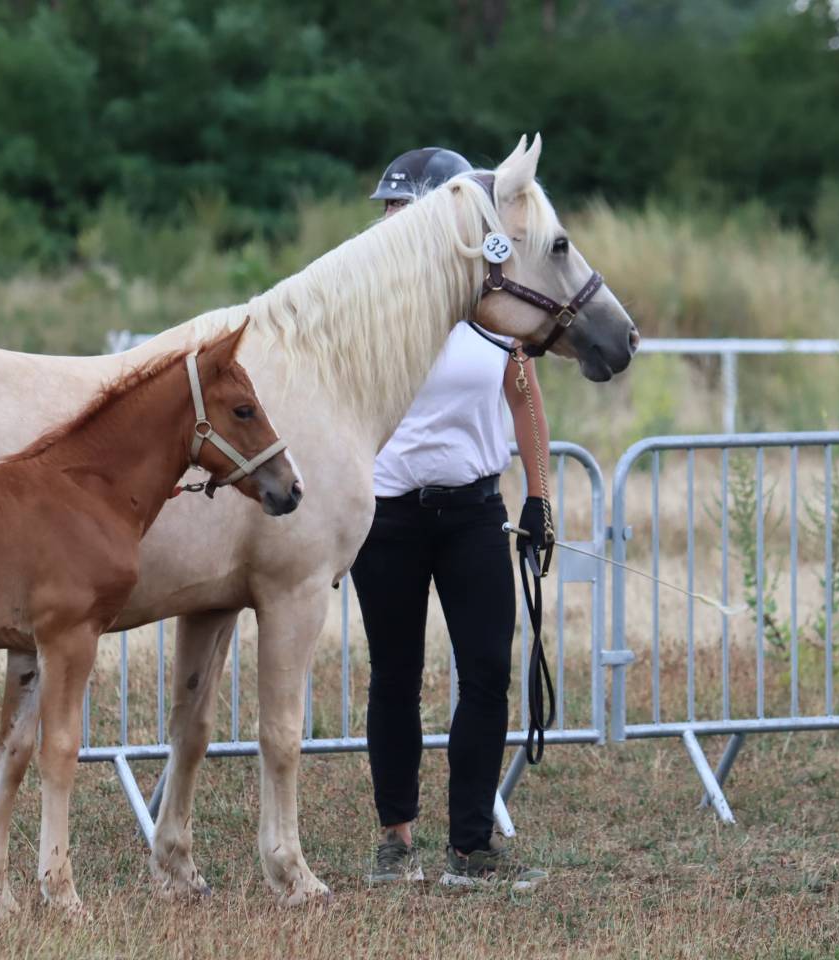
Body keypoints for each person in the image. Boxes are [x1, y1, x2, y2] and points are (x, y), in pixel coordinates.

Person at [354, 147, 551, 889]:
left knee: (487, 673)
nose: (389, 222)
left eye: (402, 209)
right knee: (394, 676)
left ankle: (470, 846)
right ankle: (395, 839)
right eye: (387, 209)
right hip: (388, 515)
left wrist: (538, 496)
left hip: (473, 512)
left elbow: (524, 398)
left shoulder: (493, 308)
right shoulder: (368, 305)